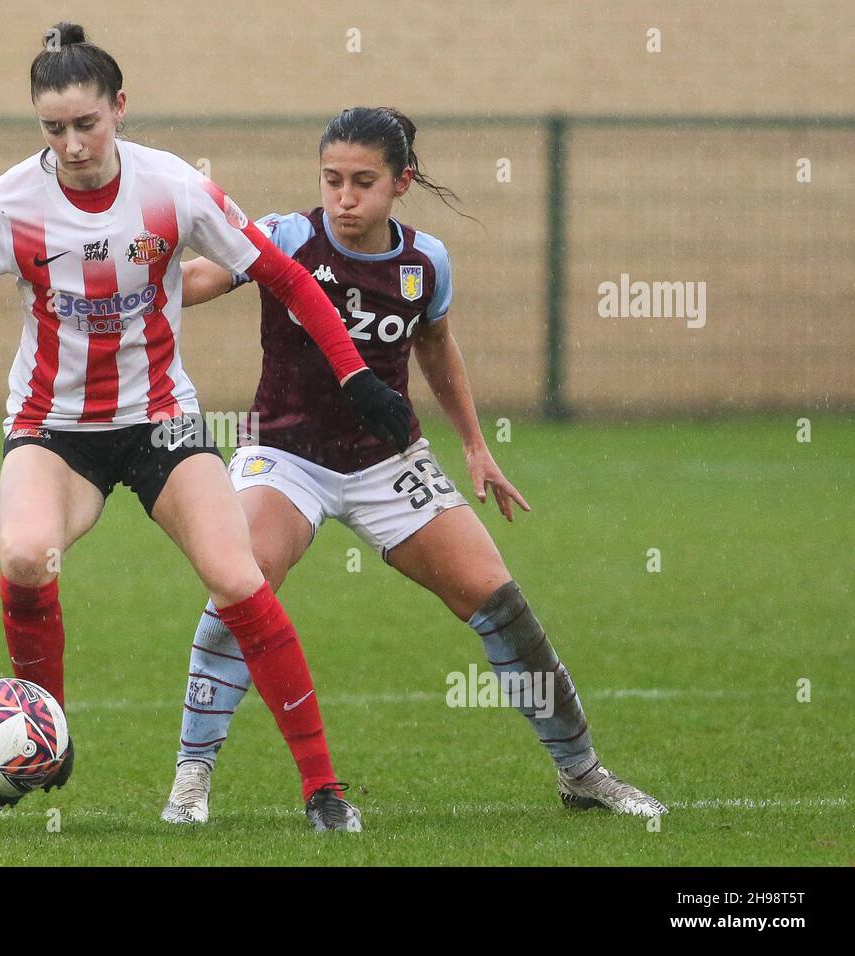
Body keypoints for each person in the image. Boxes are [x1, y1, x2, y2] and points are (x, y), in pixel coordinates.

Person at [0, 26, 417, 832]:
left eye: (86, 124)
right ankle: (47, 735)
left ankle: (322, 787)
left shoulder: (174, 189)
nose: (71, 144)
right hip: (53, 428)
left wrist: (354, 372)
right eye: (52, 128)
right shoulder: (8, 205)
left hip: (162, 424)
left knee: (238, 579)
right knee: (22, 558)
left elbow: (283, 276)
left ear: (119, 109)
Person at [160, 106, 668, 823]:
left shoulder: (424, 262)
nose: (344, 197)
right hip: (285, 455)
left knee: (499, 602)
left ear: (401, 182)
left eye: (363, 182)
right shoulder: (287, 237)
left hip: (386, 463)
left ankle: (582, 774)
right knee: (242, 583)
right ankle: (192, 777)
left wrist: (474, 445)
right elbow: (202, 279)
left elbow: (435, 347)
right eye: (331, 179)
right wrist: (123, 286)